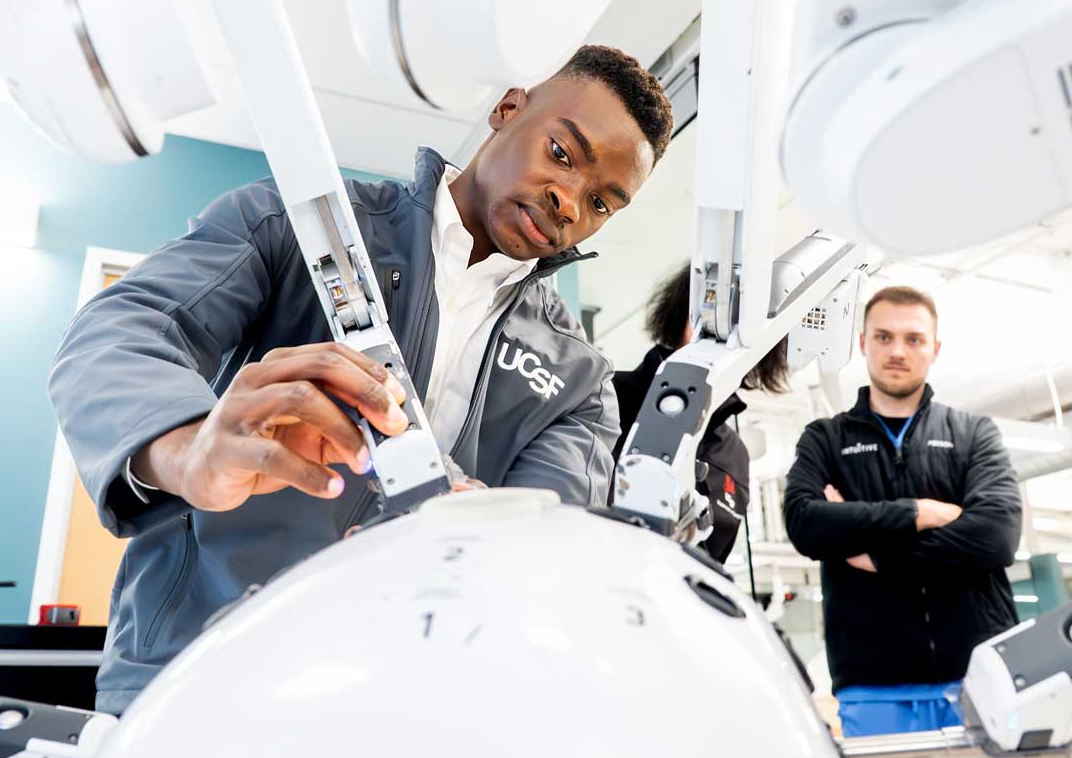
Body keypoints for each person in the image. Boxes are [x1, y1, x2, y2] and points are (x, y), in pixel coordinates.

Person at [50, 45, 672, 714]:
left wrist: (481, 539)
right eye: (560, 152)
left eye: (603, 202)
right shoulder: (302, 225)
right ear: (507, 109)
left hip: (393, 709)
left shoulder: (579, 386)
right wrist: (185, 449)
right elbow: (122, 331)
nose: (568, 200)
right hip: (195, 677)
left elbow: (538, 554)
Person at [782, 286, 1055, 758]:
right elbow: (807, 524)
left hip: (987, 683)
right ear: (863, 344)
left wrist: (869, 550)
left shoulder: (974, 434)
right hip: (875, 690)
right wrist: (917, 513)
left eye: (913, 339)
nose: (897, 351)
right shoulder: (826, 439)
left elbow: (997, 537)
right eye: (883, 337)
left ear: (935, 349)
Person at [610, 262, 787, 563]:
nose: (725, 335)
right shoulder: (606, 396)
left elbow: (708, 559)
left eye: (741, 323)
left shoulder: (733, 455)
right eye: (711, 313)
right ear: (683, 314)